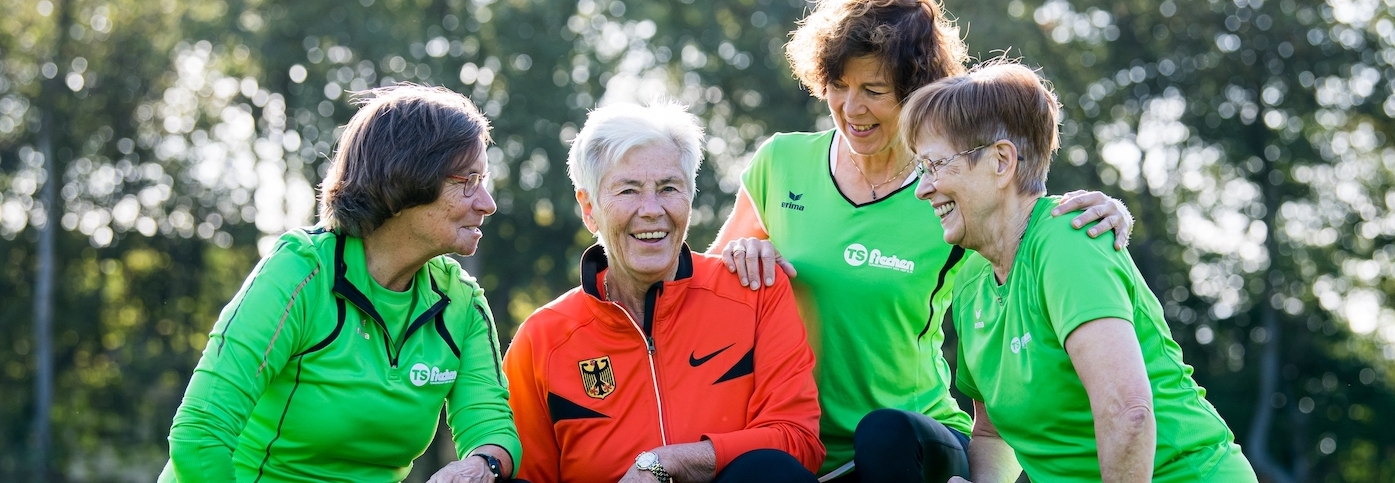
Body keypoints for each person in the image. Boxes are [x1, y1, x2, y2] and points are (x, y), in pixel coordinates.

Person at [708, 0, 1134, 480]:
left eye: (874, 89)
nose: (852, 108)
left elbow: (1021, 226)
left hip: (912, 440)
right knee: (751, 471)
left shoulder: (950, 191)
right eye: (839, 86)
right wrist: (741, 254)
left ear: (915, 93)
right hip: (796, 436)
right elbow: (705, 299)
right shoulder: (780, 161)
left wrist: (1107, 210)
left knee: (884, 435)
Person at [905, 59, 1258, 483]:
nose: (923, 188)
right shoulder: (971, 281)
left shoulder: (1068, 240)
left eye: (937, 165)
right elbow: (992, 432)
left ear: (1001, 162)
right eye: (921, 169)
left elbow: (1128, 412)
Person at [160, 85, 523, 483]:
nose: (487, 203)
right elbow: (199, 435)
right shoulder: (300, 271)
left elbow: (492, 429)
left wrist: (478, 465)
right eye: (468, 180)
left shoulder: (463, 304)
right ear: (406, 178)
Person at [502, 102, 824, 483]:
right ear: (589, 209)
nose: (651, 210)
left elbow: (799, 442)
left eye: (669, 188)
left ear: (690, 196)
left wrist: (666, 462)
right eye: (628, 190)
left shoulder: (754, 292)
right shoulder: (542, 340)